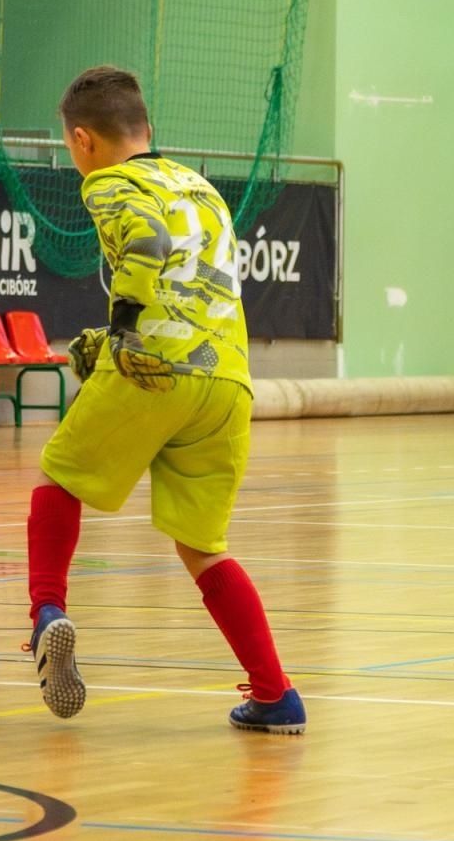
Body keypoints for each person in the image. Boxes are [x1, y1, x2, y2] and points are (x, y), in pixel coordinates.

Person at [22, 66, 304, 735]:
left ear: (84, 141)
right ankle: (275, 694)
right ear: (149, 130)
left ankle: (46, 614)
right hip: (228, 378)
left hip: (156, 363)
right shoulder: (204, 189)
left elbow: (146, 244)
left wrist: (121, 327)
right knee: (202, 544)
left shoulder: (110, 182)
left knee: (59, 475)